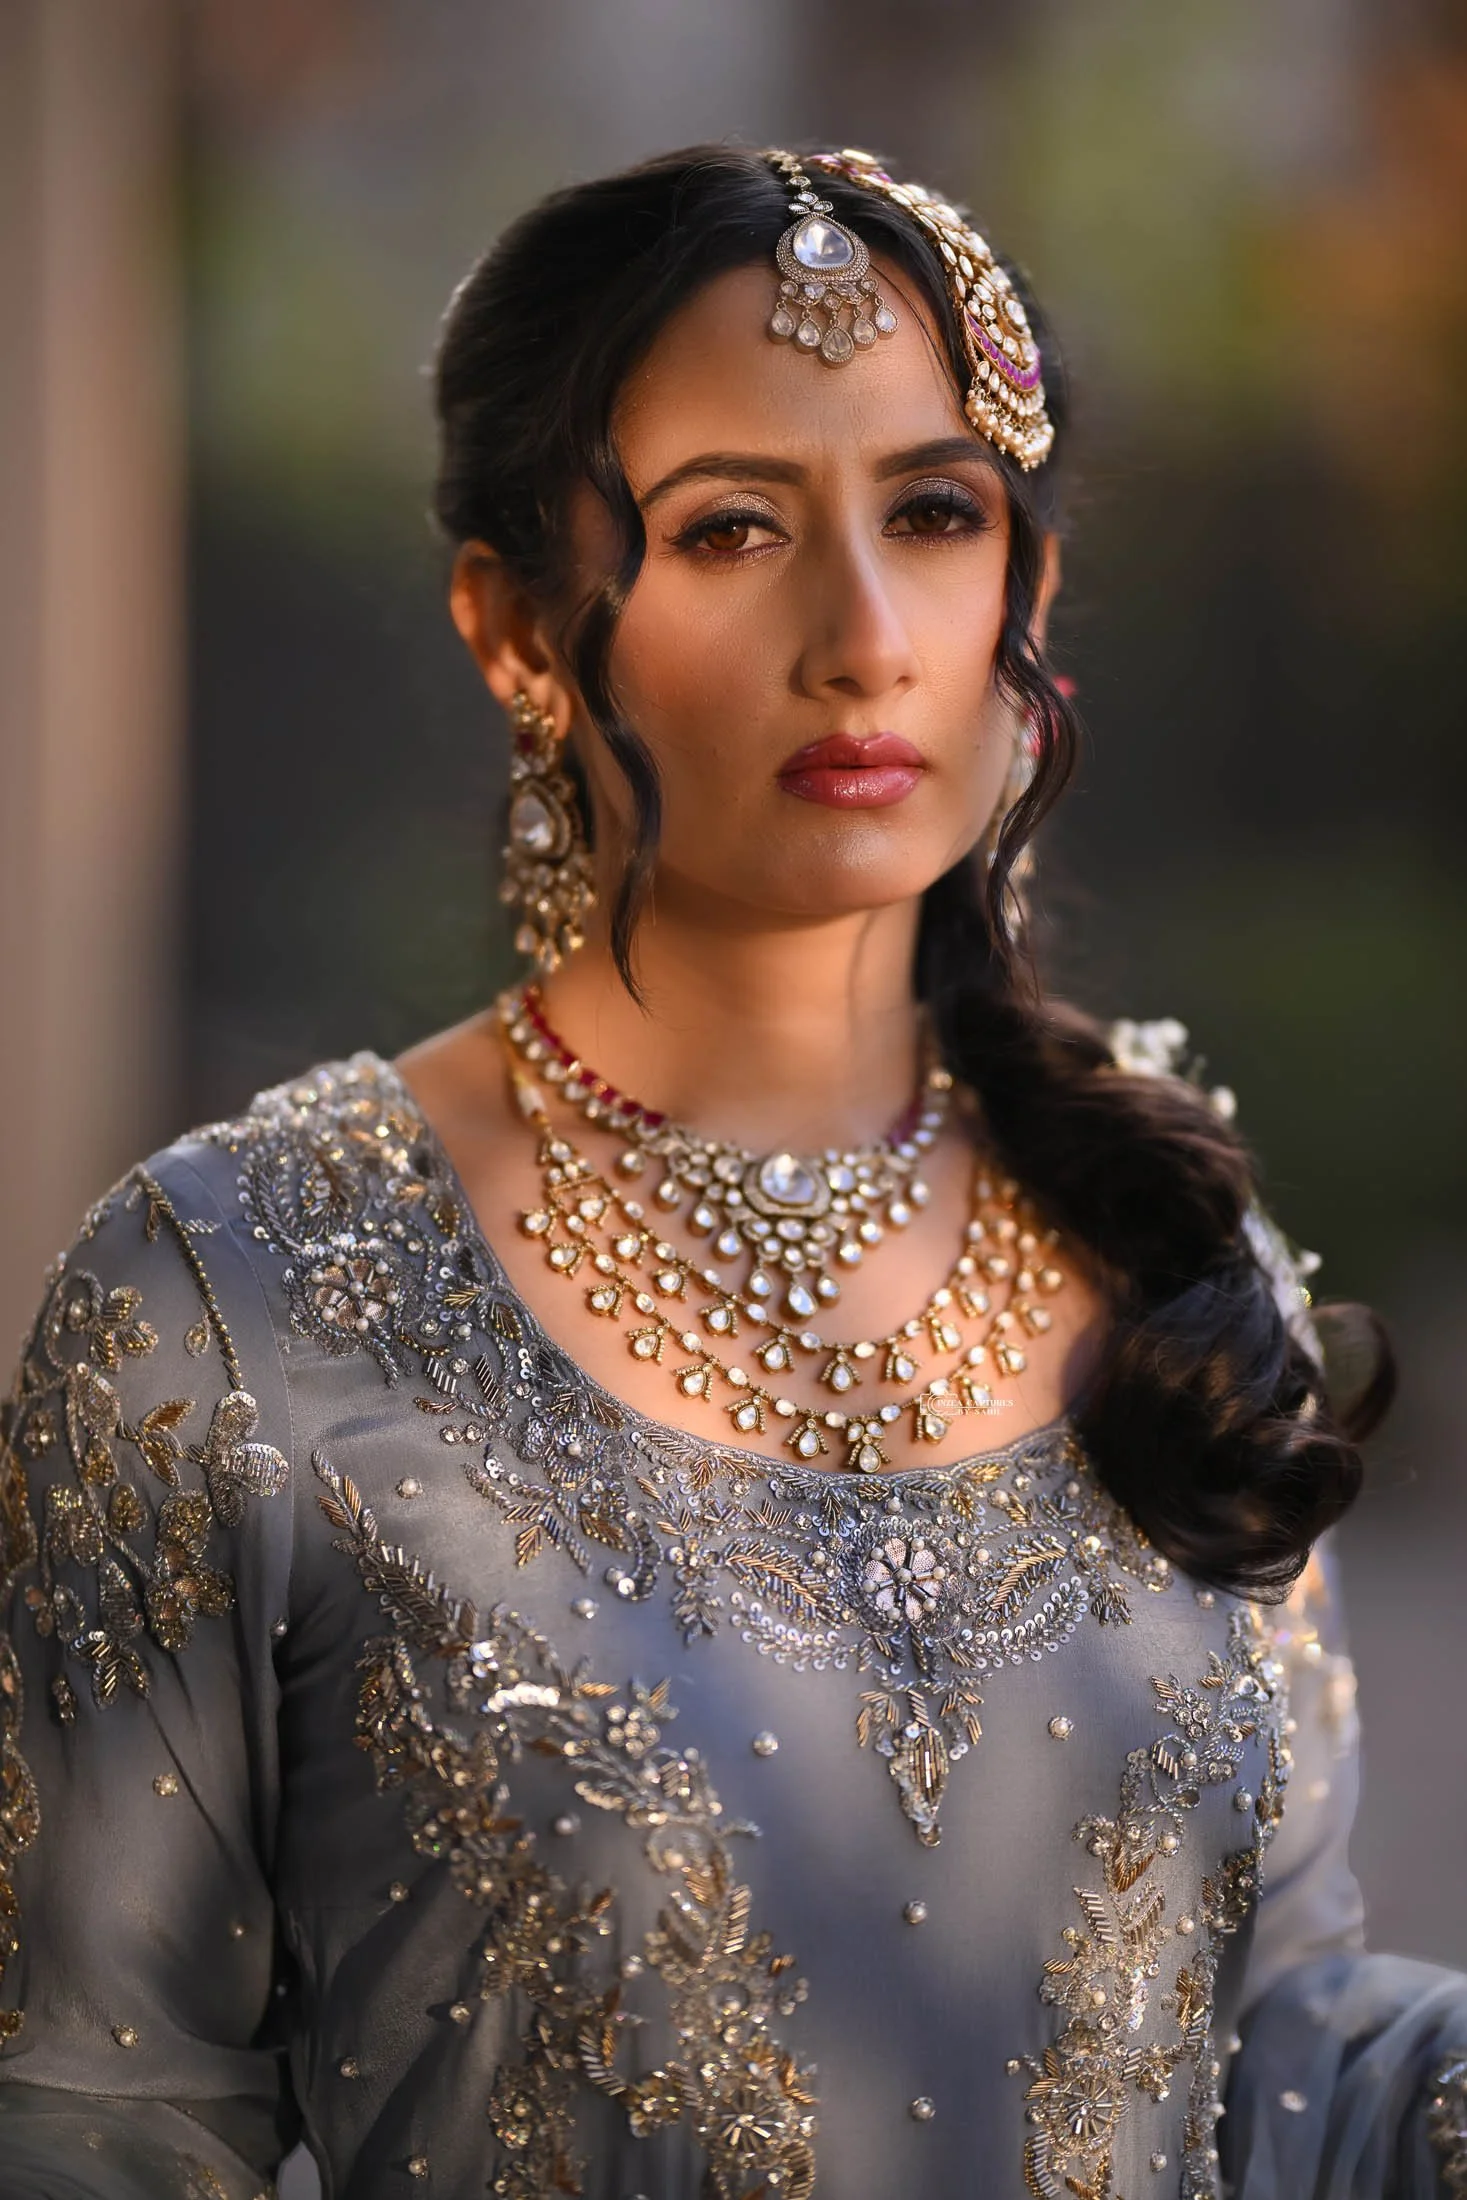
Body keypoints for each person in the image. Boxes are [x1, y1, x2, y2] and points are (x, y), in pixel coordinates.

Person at [0, 142, 1462, 2200]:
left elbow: (1284, 2050)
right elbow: (98, 2123)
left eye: (935, 514)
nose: (862, 634)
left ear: (1021, 598)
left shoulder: (1160, 1240)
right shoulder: (226, 1305)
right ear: (515, 626)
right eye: (734, 530)